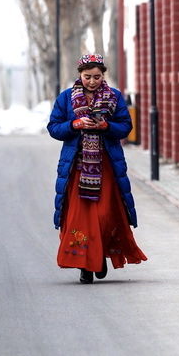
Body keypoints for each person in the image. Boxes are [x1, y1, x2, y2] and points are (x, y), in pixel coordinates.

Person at [47, 53, 147, 283]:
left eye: (97, 77)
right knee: (81, 220)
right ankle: (86, 266)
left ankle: (99, 256)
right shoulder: (65, 99)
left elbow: (125, 127)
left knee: (103, 216)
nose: (92, 81)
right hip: (77, 168)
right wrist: (75, 124)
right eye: (87, 76)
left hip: (106, 167)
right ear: (79, 75)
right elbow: (54, 128)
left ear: (103, 75)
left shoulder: (114, 97)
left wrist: (106, 126)